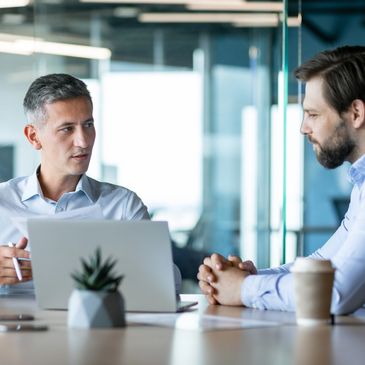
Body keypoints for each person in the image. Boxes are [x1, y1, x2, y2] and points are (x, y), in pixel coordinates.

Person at [198, 45, 365, 315]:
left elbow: (336, 293)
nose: (303, 128)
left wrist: (242, 289)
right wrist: (247, 279)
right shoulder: (361, 184)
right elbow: (324, 262)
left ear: (356, 113)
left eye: (313, 114)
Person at [0, 73, 180, 291]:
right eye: (67, 128)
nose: (83, 141)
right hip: (20, 325)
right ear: (33, 137)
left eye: (88, 124)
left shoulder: (122, 206)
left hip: (97, 324)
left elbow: (167, 284)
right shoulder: (3, 201)